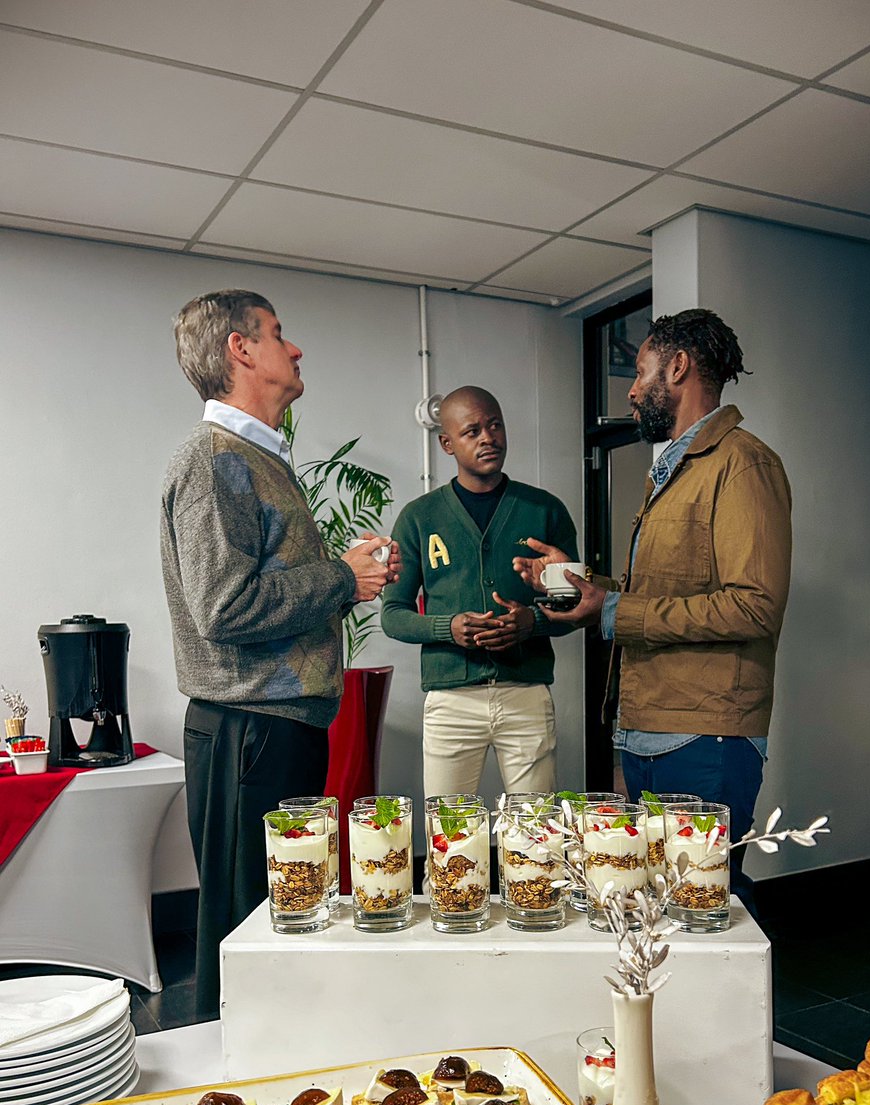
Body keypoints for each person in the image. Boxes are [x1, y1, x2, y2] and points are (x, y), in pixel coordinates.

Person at [161, 289, 398, 1014]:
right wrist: (340, 576)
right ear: (240, 349)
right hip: (249, 734)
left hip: (273, 730)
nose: (294, 349)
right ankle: (225, 1104)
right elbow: (223, 607)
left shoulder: (255, 459)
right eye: (279, 334)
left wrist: (342, 580)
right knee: (246, 932)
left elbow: (257, 589)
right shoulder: (215, 460)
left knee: (282, 916)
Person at [514, 308, 792, 866]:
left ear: (680, 367)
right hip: (646, 730)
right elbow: (667, 591)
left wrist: (613, 609)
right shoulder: (674, 469)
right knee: (660, 907)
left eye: (640, 374)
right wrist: (584, 584)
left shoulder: (742, 464)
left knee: (707, 905)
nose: (633, 392)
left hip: (704, 736)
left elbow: (754, 605)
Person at [381, 385, 578, 798]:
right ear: (447, 443)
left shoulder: (545, 510)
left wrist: (532, 622)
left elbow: (576, 607)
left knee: (535, 832)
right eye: (472, 431)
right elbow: (393, 614)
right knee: (449, 834)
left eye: (495, 426)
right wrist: (447, 627)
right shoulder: (419, 518)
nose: (488, 438)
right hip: (451, 700)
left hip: (526, 694)